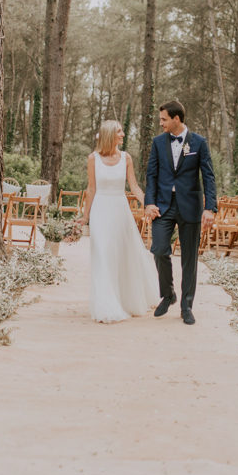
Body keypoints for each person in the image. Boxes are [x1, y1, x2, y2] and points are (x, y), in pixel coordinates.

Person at [144, 100, 217, 325]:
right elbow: (151, 175)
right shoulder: (157, 143)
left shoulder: (199, 143)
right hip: (163, 205)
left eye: (164, 119)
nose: (161, 123)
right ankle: (168, 295)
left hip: (190, 206)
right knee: (158, 248)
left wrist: (210, 207)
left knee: (189, 258)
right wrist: (149, 203)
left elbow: (208, 176)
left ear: (177, 119)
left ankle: (187, 305)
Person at [79, 120, 160, 323]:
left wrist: (148, 204)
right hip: (100, 211)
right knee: (103, 254)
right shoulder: (93, 158)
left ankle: (124, 299)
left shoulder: (126, 158)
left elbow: (134, 187)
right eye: (119, 131)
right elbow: (91, 189)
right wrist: (85, 217)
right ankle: (106, 305)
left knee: (122, 254)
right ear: (109, 135)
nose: (123, 134)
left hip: (120, 210)